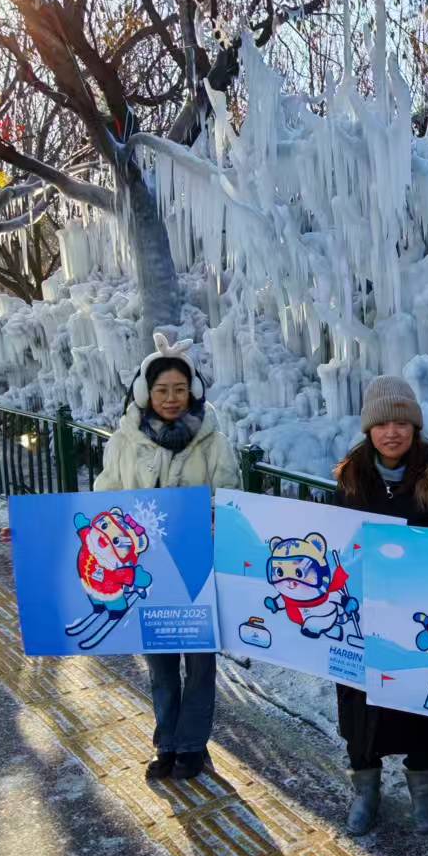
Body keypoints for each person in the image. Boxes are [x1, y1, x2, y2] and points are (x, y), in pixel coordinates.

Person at [94, 332, 240, 783]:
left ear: (192, 391)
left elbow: (232, 497)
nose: (171, 398)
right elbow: (104, 501)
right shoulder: (124, 442)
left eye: (179, 389)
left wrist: (214, 519)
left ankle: (193, 745)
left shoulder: (212, 443)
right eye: (161, 390)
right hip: (145, 571)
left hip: (197, 568)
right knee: (159, 665)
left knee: (198, 663)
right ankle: (167, 742)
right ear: (145, 393)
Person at [332, 375, 428, 836]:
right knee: (358, 702)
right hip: (362, 614)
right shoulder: (352, 476)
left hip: (418, 614)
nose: (392, 432)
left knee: (418, 700)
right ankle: (365, 788)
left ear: (415, 427)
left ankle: (422, 787)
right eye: (382, 423)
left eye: (402, 422)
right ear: (369, 430)